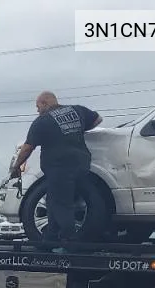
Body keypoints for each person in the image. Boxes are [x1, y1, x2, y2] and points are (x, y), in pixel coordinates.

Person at [10, 92, 101, 250]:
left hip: (60, 167)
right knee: (55, 200)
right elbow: (98, 119)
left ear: (45, 103)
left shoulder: (43, 121)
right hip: (82, 164)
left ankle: (69, 241)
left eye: (38, 107)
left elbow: (28, 147)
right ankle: (51, 239)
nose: (37, 111)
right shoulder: (76, 110)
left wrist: (16, 166)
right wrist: (78, 130)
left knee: (60, 203)